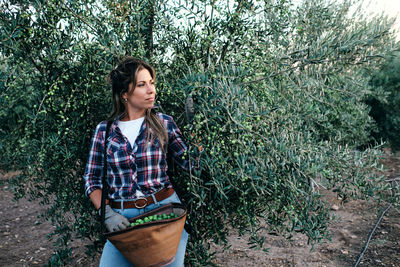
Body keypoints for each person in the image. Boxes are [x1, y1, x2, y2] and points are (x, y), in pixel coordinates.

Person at [83, 57, 190, 267]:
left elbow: (191, 163)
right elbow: (91, 178)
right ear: (125, 94)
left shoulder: (164, 123)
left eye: (152, 83)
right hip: (122, 221)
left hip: (165, 213)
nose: (151, 90)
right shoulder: (104, 131)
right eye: (142, 85)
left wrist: (198, 132)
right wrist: (106, 213)